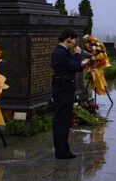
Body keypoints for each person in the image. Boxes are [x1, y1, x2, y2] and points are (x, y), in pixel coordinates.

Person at [51, 28, 84, 159]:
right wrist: (78, 55)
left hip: (62, 87)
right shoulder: (62, 52)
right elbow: (76, 66)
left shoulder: (60, 51)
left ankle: (63, 150)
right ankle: (62, 151)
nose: (75, 43)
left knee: (62, 119)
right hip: (63, 88)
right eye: (74, 40)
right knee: (62, 120)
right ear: (68, 39)